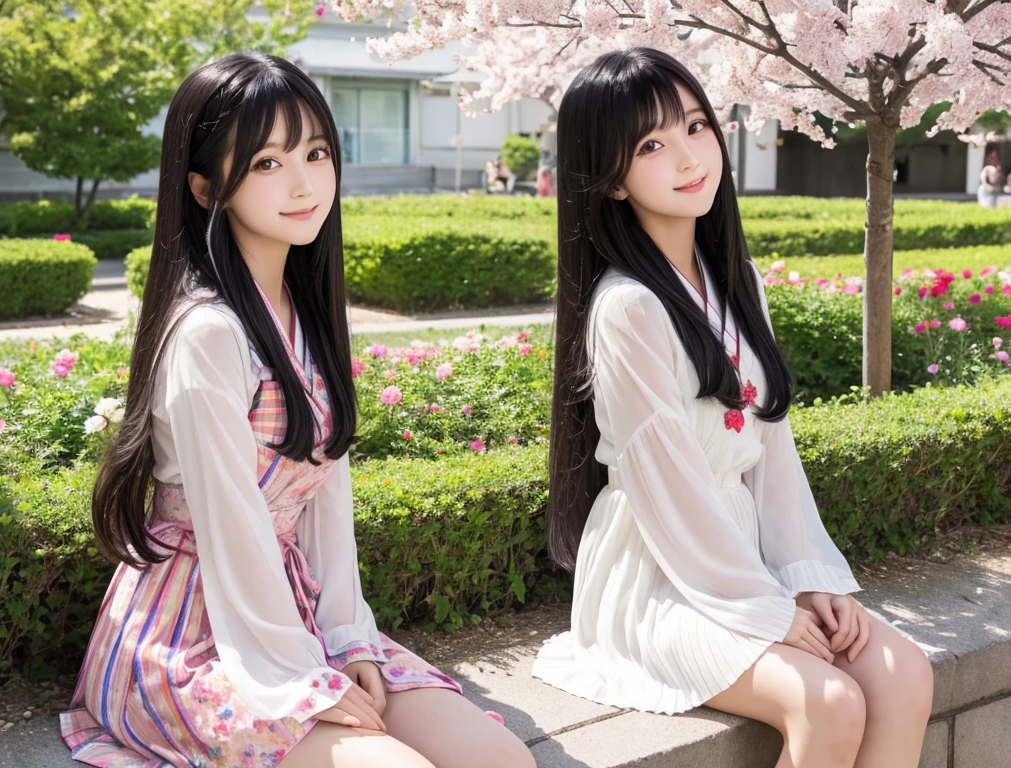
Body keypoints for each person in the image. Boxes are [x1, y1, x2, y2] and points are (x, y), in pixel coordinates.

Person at [59, 52, 534, 768]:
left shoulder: (306, 318)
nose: (305, 181)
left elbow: (325, 503)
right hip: (192, 632)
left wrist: (348, 640)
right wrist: (298, 681)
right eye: (267, 163)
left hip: (296, 611)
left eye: (315, 152)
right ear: (203, 185)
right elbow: (233, 529)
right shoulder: (207, 333)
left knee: (504, 759)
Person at [533, 47, 933, 768]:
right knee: (829, 700)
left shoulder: (736, 278)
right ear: (611, 180)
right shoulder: (627, 307)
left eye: (695, 127)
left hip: (744, 560)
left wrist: (807, 576)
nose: (689, 157)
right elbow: (669, 495)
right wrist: (769, 611)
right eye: (651, 145)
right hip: (659, 578)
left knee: (905, 676)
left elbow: (772, 454)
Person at [978, 143, 1004, 207]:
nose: (995, 160)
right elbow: (984, 181)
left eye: (996, 158)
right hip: (987, 192)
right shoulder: (986, 170)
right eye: (992, 158)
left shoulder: (999, 169)